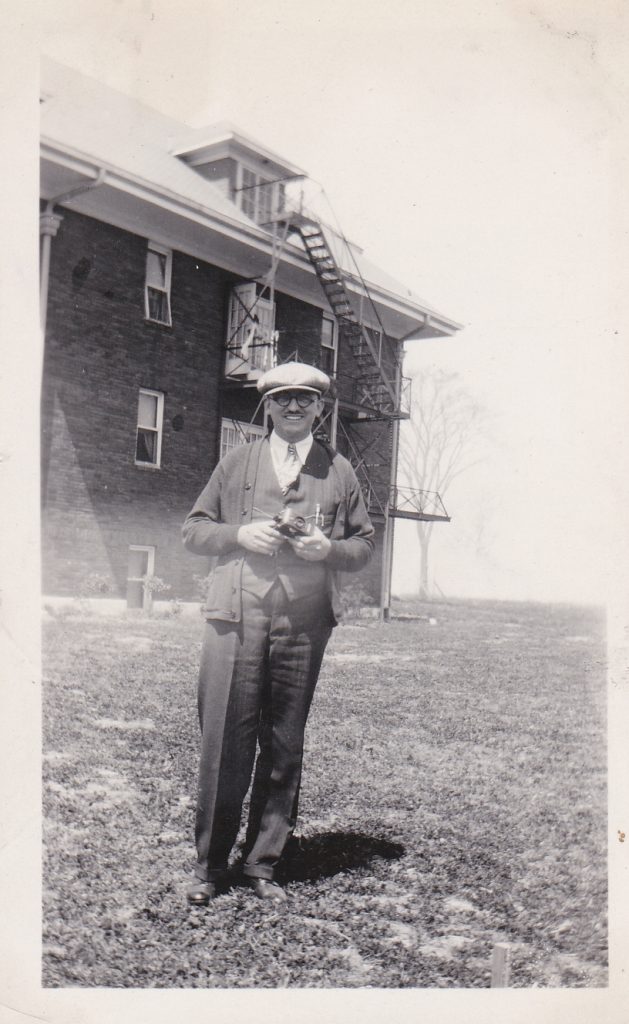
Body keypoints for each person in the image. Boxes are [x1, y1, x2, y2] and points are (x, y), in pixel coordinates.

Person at [181, 361, 375, 905]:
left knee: (285, 745)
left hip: (303, 625)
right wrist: (240, 532)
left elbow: (363, 544)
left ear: (320, 408)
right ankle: (209, 868)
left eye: (305, 400)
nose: (293, 407)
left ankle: (261, 864)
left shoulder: (338, 470)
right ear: (266, 406)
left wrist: (328, 550)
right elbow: (194, 530)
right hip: (236, 617)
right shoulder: (237, 460)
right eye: (283, 399)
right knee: (225, 742)